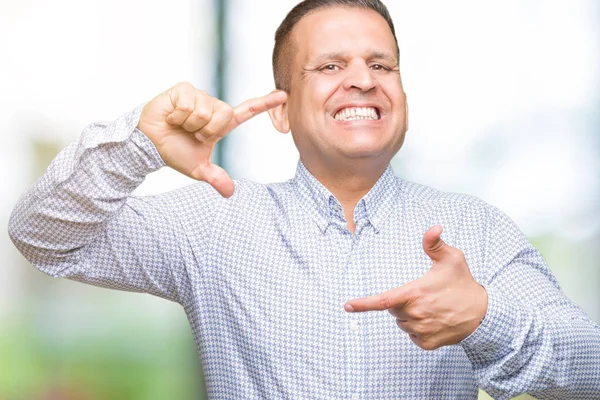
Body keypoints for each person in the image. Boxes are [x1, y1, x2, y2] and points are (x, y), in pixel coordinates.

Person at [8, 0, 600, 398]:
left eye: (381, 64)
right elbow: (44, 236)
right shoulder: (214, 222)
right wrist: (140, 144)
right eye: (330, 65)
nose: (363, 80)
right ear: (282, 111)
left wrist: (484, 319)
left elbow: (590, 369)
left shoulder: (476, 229)